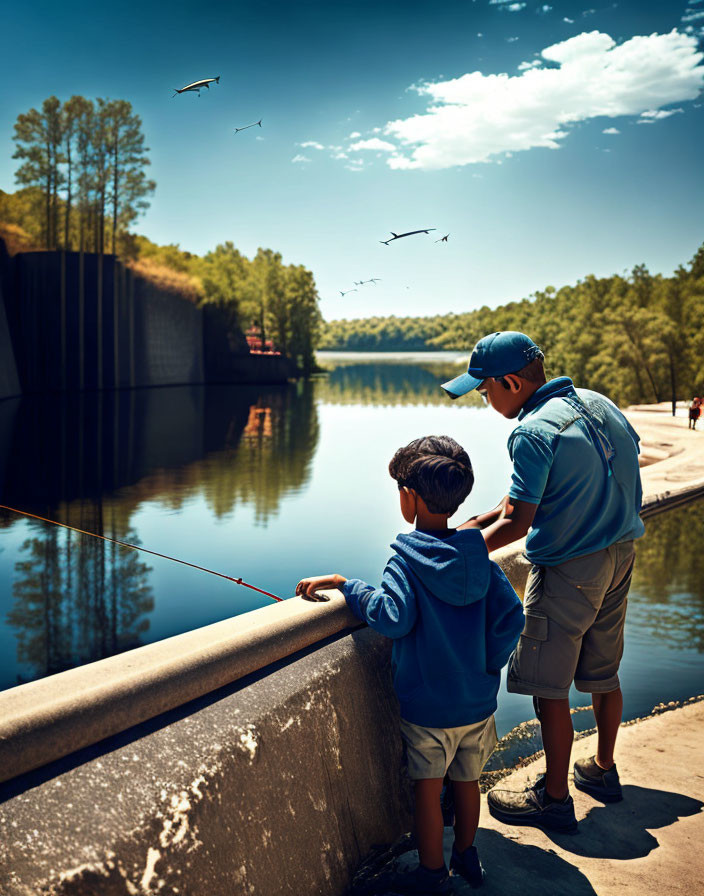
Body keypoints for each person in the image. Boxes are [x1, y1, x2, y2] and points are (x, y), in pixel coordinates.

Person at [296, 435, 524, 893]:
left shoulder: (406, 561)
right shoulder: (478, 554)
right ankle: (467, 854)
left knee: (426, 786)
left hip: (428, 709)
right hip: (477, 704)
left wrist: (348, 585)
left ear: (409, 497)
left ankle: (432, 871)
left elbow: (392, 619)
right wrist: (484, 669)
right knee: (467, 782)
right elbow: (511, 619)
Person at [441, 331, 645, 834]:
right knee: (604, 671)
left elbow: (517, 523)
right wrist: (476, 521)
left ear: (511, 382)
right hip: (620, 555)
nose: (485, 400)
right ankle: (602, 769)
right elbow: (521, 503)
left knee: (548, 687)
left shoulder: (531, 432)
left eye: (485, 391)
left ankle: (554, 799)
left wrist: (456, 552)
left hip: (570, 569)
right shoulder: (598, 404)